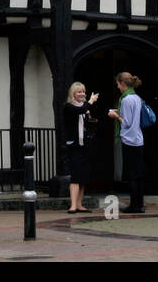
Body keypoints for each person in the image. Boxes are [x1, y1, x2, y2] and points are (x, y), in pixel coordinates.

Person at [106, 71, 145, 213]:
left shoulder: (126, 99)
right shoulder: (136, 97)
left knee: (131, 174)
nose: (117, 87)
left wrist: (115, 115)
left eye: (117, 84)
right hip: (139, 139)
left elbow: (126, 122)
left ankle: (134, 205)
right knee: (139, 174)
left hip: (129, 140)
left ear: (122, 84)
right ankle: (140, 204)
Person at [62, 82, 99, 213]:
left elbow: (85, 117)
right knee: (75, 175)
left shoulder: (84, 107)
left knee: (83, 176)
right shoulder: (68, 106)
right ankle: (72, 205)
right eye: (79, 92)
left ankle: (79, 204)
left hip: (85, 144)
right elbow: (79, 111)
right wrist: (90, 101)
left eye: (83, 91)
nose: (82, 94)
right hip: (74, 145)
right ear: (73, 93)